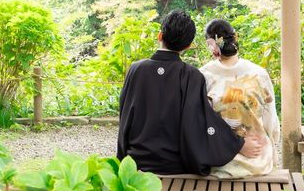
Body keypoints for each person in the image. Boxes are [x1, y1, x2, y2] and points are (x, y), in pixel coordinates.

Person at [117, 10, 264, 177]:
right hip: (174, 166)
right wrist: (238, 144)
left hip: (136, 162)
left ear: (160, 36)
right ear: (188, 46)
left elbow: (125, 115)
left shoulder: (136, 70)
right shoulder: (191, 75)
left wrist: (123, 157)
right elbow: (202, 121)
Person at [200, 19, 280, 179]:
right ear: (235, 39)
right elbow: (270, 121)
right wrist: (271, 145)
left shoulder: (204, 75)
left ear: (212, 46)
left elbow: (202, 124)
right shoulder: (259, 74)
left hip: (219, 160)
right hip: (258, 158)